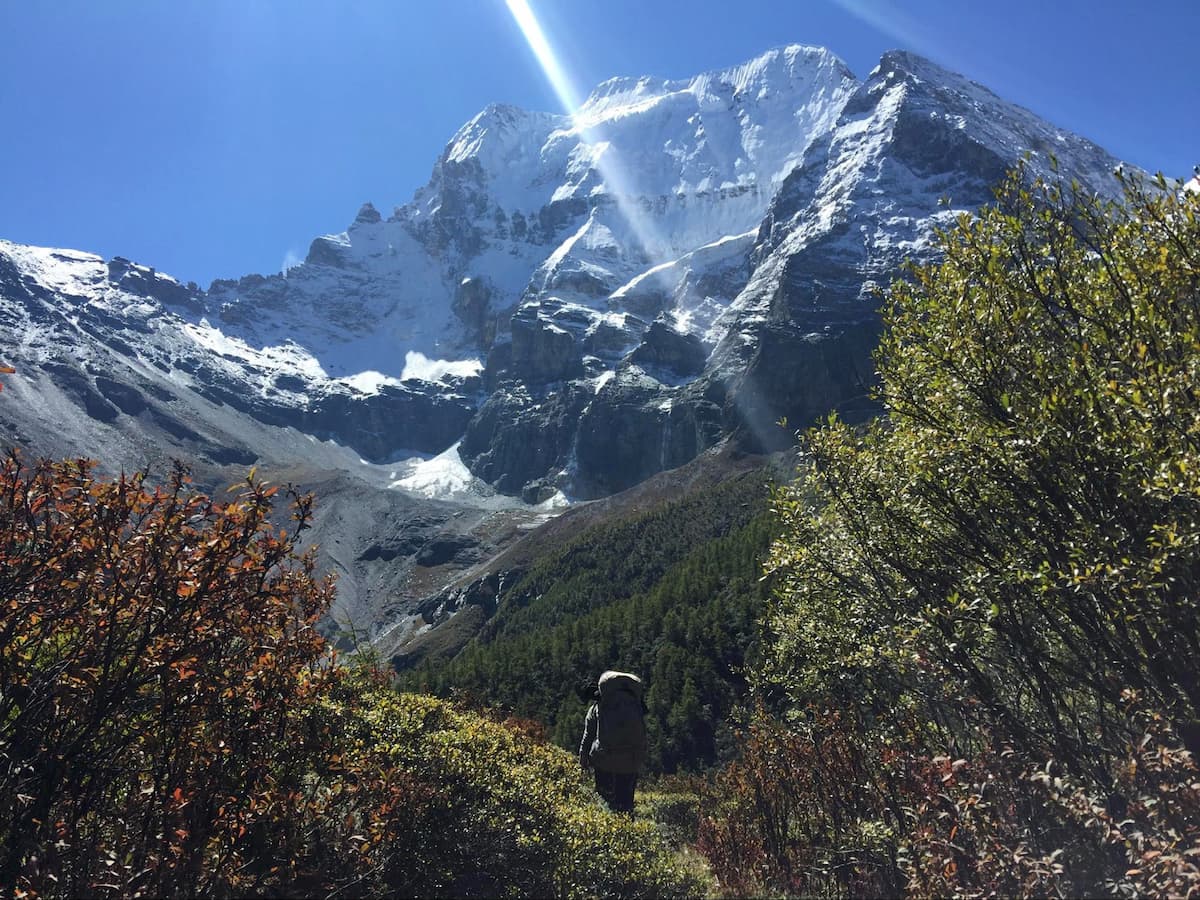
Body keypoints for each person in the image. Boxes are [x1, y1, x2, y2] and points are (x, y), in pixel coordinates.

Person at [579, 670, 647, 814]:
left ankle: (606, 833)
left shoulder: (598, 708)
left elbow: (588, 735)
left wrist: (583, 759)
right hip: (630, 762)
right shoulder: (635, 705)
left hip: (604, 762)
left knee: (604, 804)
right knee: (626, 805)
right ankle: (629, 832)